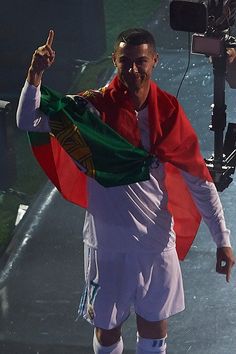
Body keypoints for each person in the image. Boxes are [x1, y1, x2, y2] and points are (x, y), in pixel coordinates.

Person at [16, 28, 235, 354]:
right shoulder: (91, 111)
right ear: (115, 62)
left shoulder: (170, 114)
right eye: (125, 62)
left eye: (141, 61)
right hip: (106, 248)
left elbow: (200, 183)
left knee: (155, 332)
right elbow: (28, 120)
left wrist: (223, 241)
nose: (133, 70)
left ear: (155, 61)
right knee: (107, 333)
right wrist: (35, 75)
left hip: (155, 247)